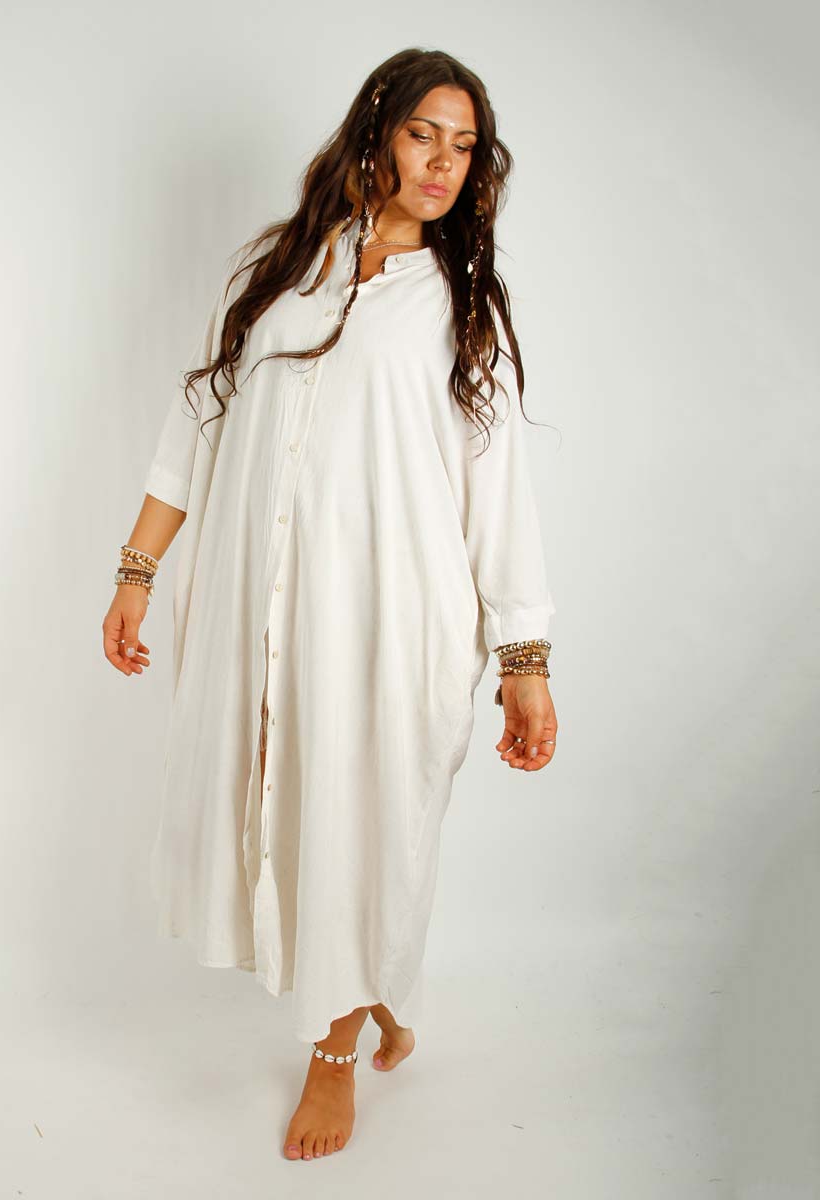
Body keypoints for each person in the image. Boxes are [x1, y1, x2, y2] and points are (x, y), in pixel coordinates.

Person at [102, 47, 559, 1161]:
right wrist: (135, 571)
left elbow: (497, 493)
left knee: (361, 823)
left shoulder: (459, 312)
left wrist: (524, 661)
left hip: (390, 620)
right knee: (286, 809)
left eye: (464, 147)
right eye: (422, 135)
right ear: (375, 135)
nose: (442, 164)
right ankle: (379, 995)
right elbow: (198, 421)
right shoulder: (284, 273)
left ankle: (335, 1055)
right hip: (262, 613)